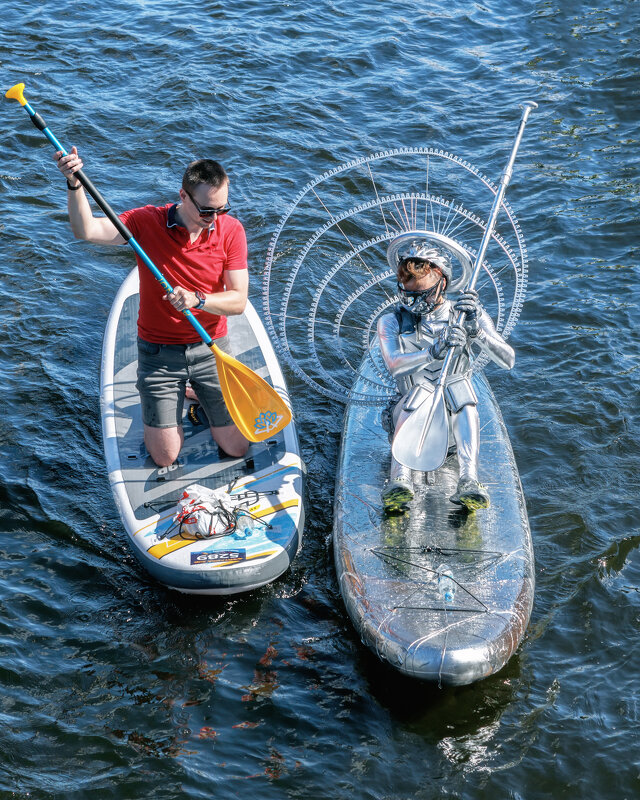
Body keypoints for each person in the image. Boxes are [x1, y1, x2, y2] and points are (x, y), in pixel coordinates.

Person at [56, 147, 250, 467]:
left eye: (222, 209)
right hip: (159, 353)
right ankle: (168, 396)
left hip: (210, 346)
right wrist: (74, 184)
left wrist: (197, 299)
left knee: (237, 448)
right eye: (206, 210)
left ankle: (196, 391)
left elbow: (239, 301)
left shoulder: (231, 231)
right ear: (183, 197)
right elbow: (86, 230)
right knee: (164, 457)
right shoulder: (146, 222)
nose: (214, 219)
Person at [377, 240, 515, 513]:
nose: (414, 305)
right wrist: (433, 351)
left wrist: (477, 332)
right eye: (407, 296)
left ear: (441, 284)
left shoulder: (464, 315)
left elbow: (508, 360)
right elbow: (395, 365)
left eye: (422, 296)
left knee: (460, 386)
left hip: (453, 425)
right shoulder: (391, 320)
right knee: (419, 392)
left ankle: (468, 479)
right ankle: (399, 478)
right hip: (408, 418)